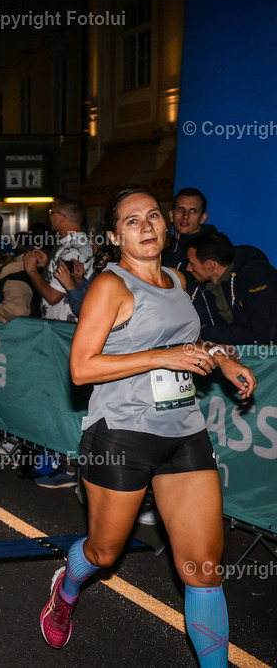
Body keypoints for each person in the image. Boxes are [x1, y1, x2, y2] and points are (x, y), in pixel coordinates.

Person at [40, 184, 256, 667]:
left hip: (183, 431)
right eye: (132, 221)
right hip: (120, 434)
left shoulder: (179, 281)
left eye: (153, 216)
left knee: (203, 569)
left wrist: (221, 361)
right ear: (116, 237)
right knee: (104, 552)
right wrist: (164, 356)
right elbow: (82, 368)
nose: (147, 226)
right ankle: (67, 587)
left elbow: (192, 340)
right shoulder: (110, 286)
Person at [185, 232, 277, 346]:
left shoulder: (257, 275)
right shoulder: (206, 287)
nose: (188, 268)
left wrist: (207, 333)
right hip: (243, 354)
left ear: (210, 265)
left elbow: (262, 333)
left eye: (192, 264)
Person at [25, 196, 94, 324]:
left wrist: (32, 271)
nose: (50, 216)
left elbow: (53, 296)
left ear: (61, 217)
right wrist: (48, 264)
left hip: (62, 327)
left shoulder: (71, 251)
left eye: (52, 212)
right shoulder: (81, 243)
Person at [161, 187, 217, 278]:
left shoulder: (213, 253)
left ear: (203, 218)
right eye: (180, 210)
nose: (185, 216)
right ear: (171, 215)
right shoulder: (162, 256)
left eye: (193, 211)